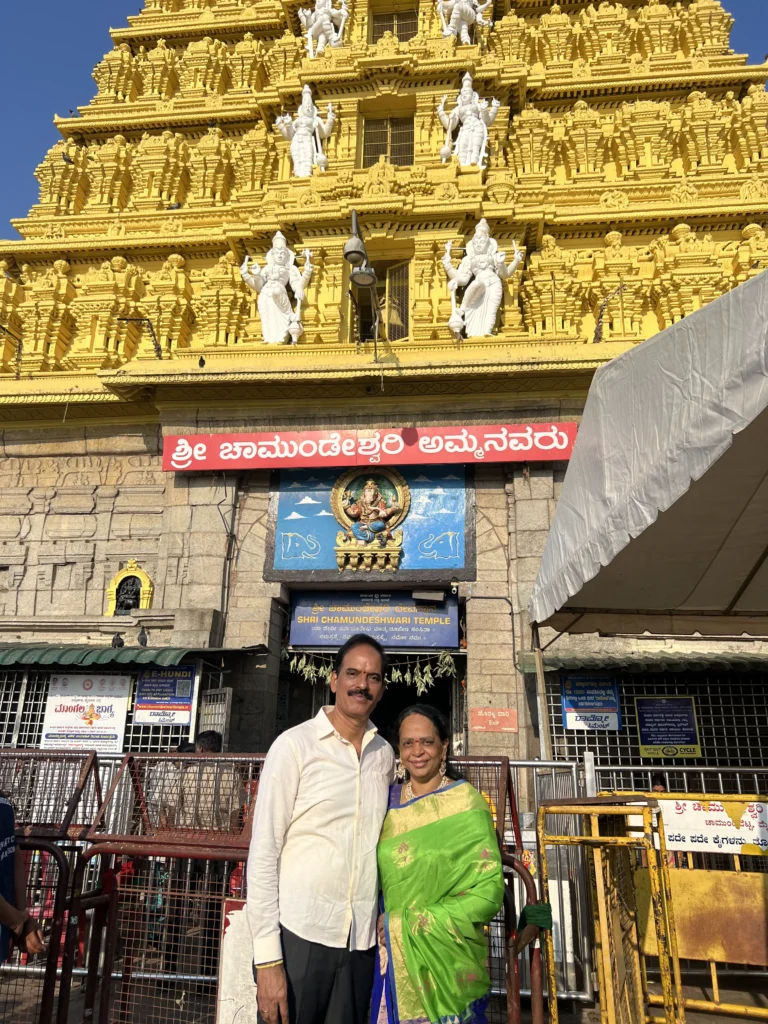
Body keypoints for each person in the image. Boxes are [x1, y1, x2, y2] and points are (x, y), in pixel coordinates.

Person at [247, 633, 395, 1024]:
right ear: (333, 680)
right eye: (353, 673)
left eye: (373, 677)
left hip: (360, 942)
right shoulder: (294, 746)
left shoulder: (384, 755)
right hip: (299, 935)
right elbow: (263, 852)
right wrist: (267, 960)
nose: (362, 684)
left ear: (382, 689)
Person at [370, 705, 504, 1024]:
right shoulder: (386, 803)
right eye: (408, 743)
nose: (417, 752)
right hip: (389, 957)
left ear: (444, 746)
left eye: (426, 742)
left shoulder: (466, 803)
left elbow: (487, 892)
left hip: (448, 962)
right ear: (399, 749)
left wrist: (407, 924)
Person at [0, 792, 45, 963]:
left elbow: (14, 856)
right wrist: (18, 920)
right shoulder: (4, 803)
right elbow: (15, 856)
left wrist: (21, 918)